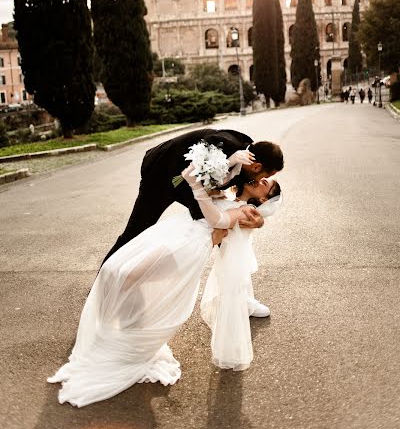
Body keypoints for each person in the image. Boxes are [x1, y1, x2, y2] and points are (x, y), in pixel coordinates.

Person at [48, 163, 282, 407]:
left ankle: (132, 342)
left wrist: (199, 189)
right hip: (178, 235)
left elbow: (218, 219)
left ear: (263, 199)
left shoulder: (247, 212)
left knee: (127, 276)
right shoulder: (228, 191)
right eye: (266, 178)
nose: (264, 181)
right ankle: (129, 333)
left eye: (269, 185)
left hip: (189, 247)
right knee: (116, 271)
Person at [100, 128, 284, 267]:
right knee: (136, 230)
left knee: (224, 231)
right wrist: (227, 162)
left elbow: (242, 200)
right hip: (162, 174)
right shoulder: (225, 145)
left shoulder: (248, 166)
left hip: (190, 185)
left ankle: (237, 292)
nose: (262, 182)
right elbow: (197, 166)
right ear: (257, 167)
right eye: (266, 177)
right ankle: (104, 280)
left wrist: (258, 219)